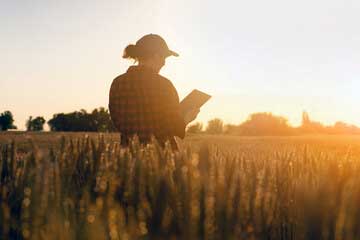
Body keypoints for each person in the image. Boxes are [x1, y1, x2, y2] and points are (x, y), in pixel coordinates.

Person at [109, 34, 199, 149]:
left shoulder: (117, 83)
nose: (164, 63)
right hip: (162, 156)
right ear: (156, 56)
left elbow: (118, 122)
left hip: (127, 156)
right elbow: (172, 127)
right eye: (164, 58)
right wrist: (186, 119)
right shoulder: (165, 85)